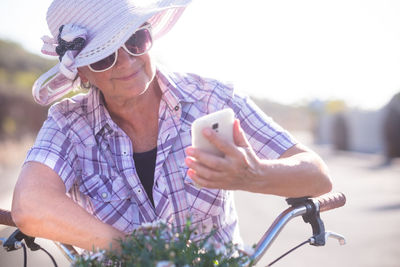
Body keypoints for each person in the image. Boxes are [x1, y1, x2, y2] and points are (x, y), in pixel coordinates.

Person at [11, 0, 332, 252]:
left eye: (134, 39)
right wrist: (133, 252)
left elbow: (317, 176)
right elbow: (30, 205)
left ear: (148, 35)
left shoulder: (212, 98)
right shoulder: (68, 123)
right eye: (102, 57)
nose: (126, 61)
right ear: (82, 74)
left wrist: (255, 174)